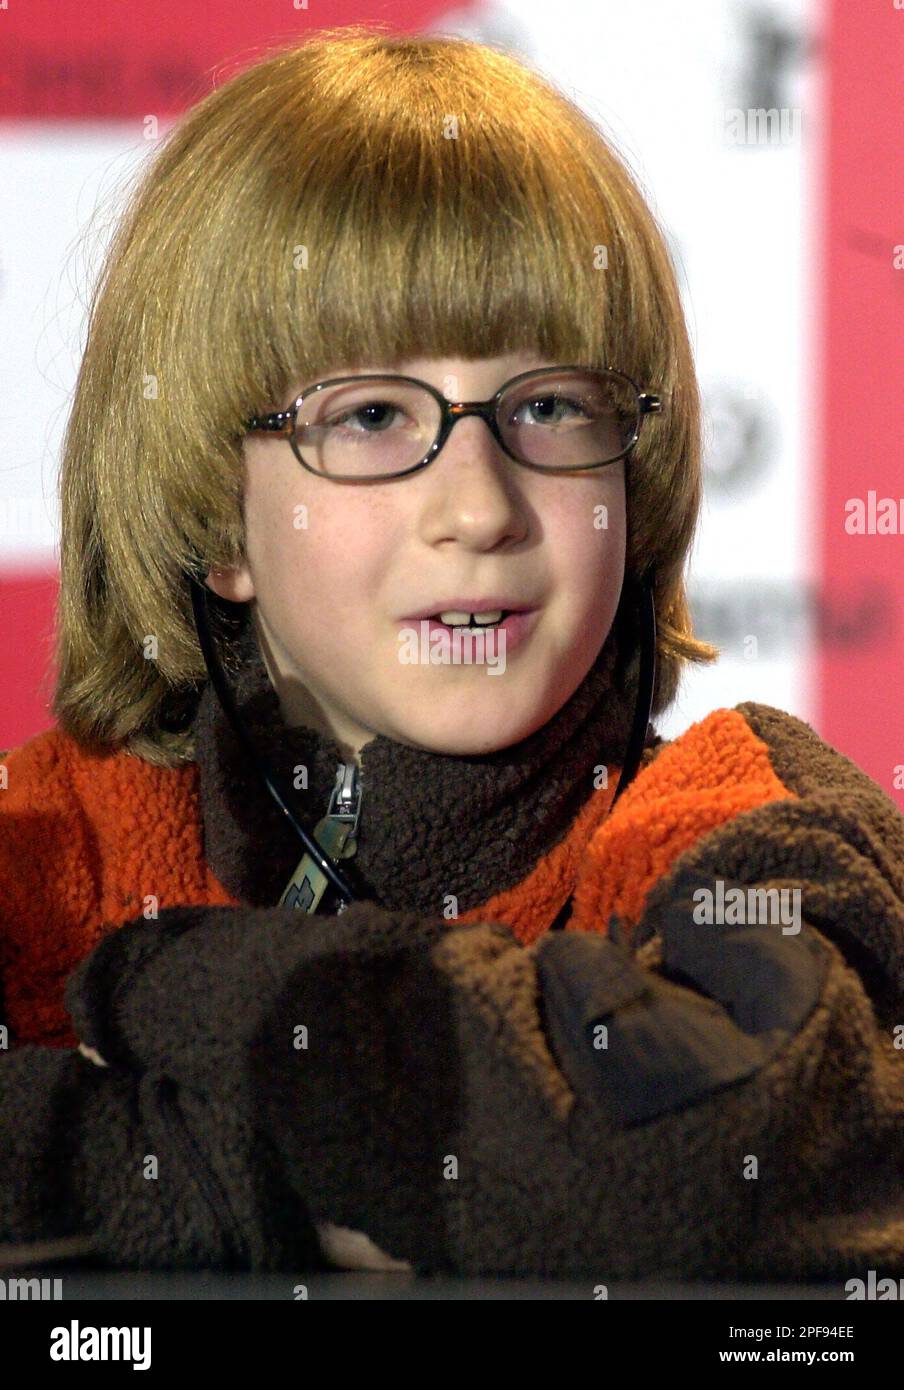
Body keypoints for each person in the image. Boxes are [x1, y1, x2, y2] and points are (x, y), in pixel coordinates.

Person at [1, 25, 903, 1281]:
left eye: (547, 407)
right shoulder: (54, 838)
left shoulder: (735, 816)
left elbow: (698, 1172)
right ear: (215, 513)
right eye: (371, 416)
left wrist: (170, 982)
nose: (479, 507)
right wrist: (341, 1185)